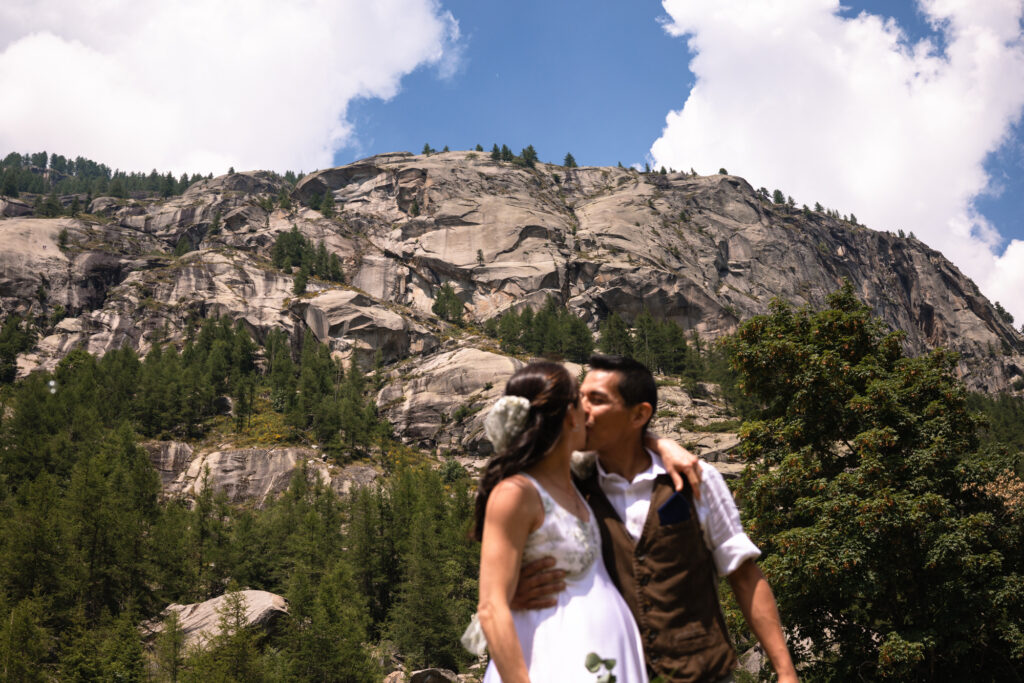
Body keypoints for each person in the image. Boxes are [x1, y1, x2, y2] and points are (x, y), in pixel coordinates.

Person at [514, 355, 798, 683]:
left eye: (598, 399)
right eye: (580, 398)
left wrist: (786, 672)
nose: (582, 409)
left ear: (639, 414)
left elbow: (743, 575)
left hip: (702, 673)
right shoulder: (568, 485)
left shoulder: (697, 479)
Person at [468, 361, 700, 682]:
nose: (589, 413)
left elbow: (625, 441)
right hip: (553, 656)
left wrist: (661, 444)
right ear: (568, 416)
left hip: (607, 655)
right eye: (581, 401)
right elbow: (492, 607)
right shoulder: (516, 493)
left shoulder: (578, 477)